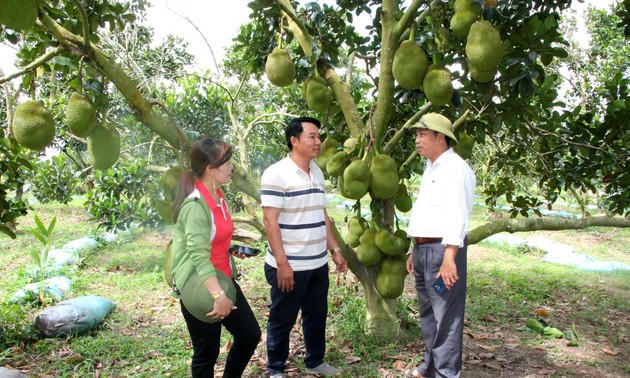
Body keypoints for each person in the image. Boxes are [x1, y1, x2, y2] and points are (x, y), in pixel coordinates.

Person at [260, 117, 348, 378]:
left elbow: (322, 215)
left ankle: (315, 361)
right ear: (294, 140)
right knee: (282, 318)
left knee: (316, 315)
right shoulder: (276, 173)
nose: (318, 141)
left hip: (317, 262)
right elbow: (269, 221)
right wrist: (283, 263)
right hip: (290, 264)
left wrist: (335, 250)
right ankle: (275, 368)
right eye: (312, 136)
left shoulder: (317, 172)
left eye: (318, 136)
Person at [170, 138, 261, 378]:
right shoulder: (195, 206)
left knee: (250, 334)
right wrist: (218, 296)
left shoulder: (219, 198)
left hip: (223, 278)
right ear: (210, 169)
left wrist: (230, 248)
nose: (232, 167)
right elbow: (198, 255)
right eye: (226, 162)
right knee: (206, 353)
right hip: (201, 286)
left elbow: (211, 238)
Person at [404, 113, 476, 378]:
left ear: (440, 138)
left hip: (443, 254)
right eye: (417, 135)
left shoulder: (456, 169)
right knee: (429, 311)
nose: (417, 140)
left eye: (423, 135)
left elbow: (459, 214)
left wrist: (450, 259)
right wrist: (415, 249)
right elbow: (428, 212)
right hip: (424, 253)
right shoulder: (431, 168)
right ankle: (431, 364)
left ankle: (447, 372)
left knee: (446, 315)